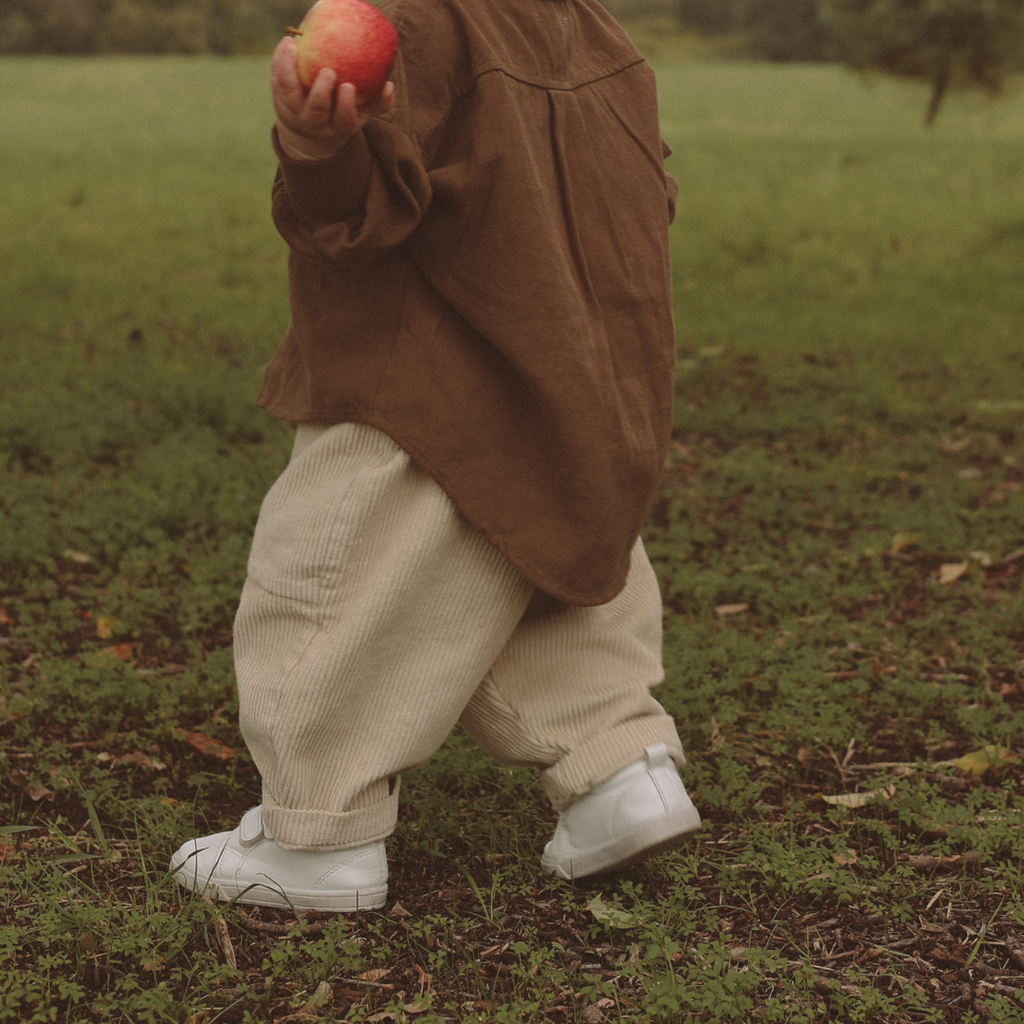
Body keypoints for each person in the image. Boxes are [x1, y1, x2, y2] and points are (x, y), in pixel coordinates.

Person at [170, 0, 701, 913]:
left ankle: (316, 837)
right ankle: (618, 770)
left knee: (333, 587)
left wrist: (312, 141)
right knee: (541, 569)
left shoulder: (407, 23)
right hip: (578, 383)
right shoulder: (592, 29)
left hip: (426, 389)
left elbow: (358, 215)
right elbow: (646, 198)